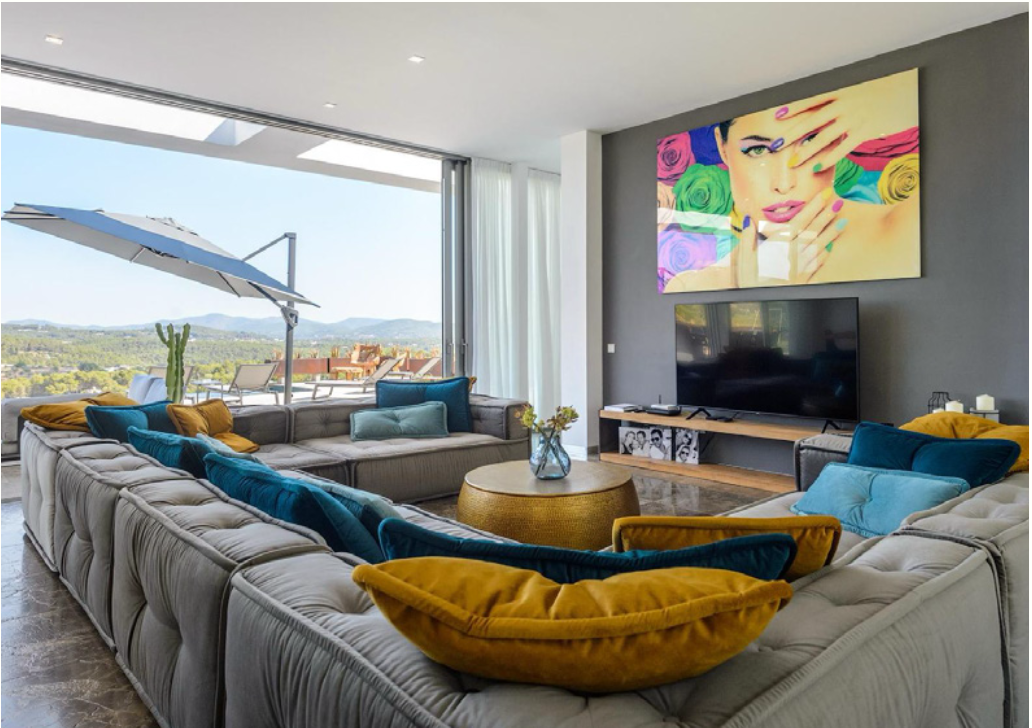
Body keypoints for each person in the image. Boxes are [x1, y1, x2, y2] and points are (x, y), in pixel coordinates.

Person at [664, 70, 919, 292]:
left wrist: (897, 94)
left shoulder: (904, 229)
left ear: (840, 138)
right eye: (757, 150)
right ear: (722, 147)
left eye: (810, 141)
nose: (784, 184)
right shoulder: (692, 286)